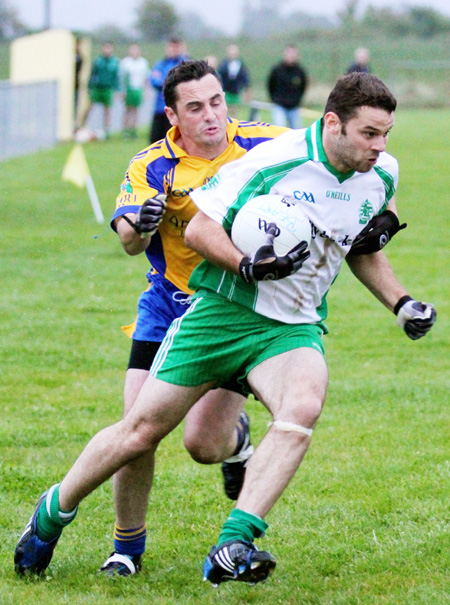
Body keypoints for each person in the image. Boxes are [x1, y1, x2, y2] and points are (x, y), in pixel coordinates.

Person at [15, 72, 436, 587]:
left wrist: (402, 303)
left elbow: (363, 237)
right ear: (334, 123)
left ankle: (234, 542)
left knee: (301, 407)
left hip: (291, 325)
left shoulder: (382, 171)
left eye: (386, 133)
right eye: (370, 133)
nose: (380, 146)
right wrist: (246, 265)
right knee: (141, 431)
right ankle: (54, 511)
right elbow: (197, 228)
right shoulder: (271, 161)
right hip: (222, 310)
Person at [98, 60, 290, 577]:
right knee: (135, 430)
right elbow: (128, 241)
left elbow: (326, 158)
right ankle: (125, 549)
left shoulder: (266, 143)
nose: (211, 116)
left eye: (217, 102)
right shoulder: (151, 164)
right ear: (171, 115)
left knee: (203, 446)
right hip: (166, 307)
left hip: (229, 310)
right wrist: (141, 223)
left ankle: (236, 443)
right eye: (195, 107)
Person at [148, 38, 188, 143]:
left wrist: (167, 82)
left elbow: (185, 81)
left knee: (174, 141)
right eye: (171, 47)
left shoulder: (185, 64)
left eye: (176, 47)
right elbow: (154, 81)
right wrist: (171, 82)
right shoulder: (160, 64)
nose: (173, 50)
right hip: (160, 108)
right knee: (155, 140)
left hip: (177, 109)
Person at [80, 42, 120, 139]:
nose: (107, 50)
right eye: (105, 48)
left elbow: (116, 77)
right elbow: (92, 75)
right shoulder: (98, 61)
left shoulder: (115, 62)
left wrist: (117, 90)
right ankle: (81, 126)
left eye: (109, 48)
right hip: (98, 88)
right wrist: (90, 87)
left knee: (107, 110)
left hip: (108, 89)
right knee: (89, 107)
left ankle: (106, 131)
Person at [267, 44, 308, 129]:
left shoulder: (300, 71)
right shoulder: (277, 70)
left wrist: (298, 100)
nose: (291, 56)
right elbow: (270, 85)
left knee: (297, 131)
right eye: (289, 53)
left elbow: (303, 86)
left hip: (294, 107)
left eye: (293, 53)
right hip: (279, 106)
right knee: (278, 131)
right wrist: (274, 99)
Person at [119, 44, 149, 139]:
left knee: (135, 111)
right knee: (128, 110)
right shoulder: (126, 62)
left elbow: (145, 78)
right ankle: (126, 130)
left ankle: (133, 130)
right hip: (129, 89)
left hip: (138, 89)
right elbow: (122, 78)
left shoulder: (143, 63)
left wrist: (145, 90)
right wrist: (122, 91)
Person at [217, 44, 251, 118]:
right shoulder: (223, 64)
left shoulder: (240, 65)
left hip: (235, 90)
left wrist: (246, 89)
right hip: (225, 89)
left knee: (234, 109)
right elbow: (219, 75)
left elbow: (244, 77)